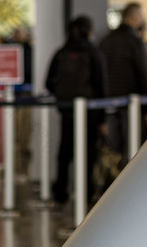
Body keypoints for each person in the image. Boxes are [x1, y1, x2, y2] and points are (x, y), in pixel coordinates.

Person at [45, 15, 107, 206]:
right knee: (88, 154)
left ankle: (60, 192)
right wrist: (102, 118)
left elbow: (48, 82)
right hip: (89, 112)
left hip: (66, 110)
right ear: (89, 31)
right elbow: (101, 85)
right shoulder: (93, 53)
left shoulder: (61, 52)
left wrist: (61, 96)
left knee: (64, 152)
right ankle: (86, 193)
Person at [100, 2, 147, 157]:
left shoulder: (105, 41)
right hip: (132, 105)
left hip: (108, 105)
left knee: (113, 152)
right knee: (133, 152)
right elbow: (145, 76)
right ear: (134, 18)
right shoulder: (135, 42)